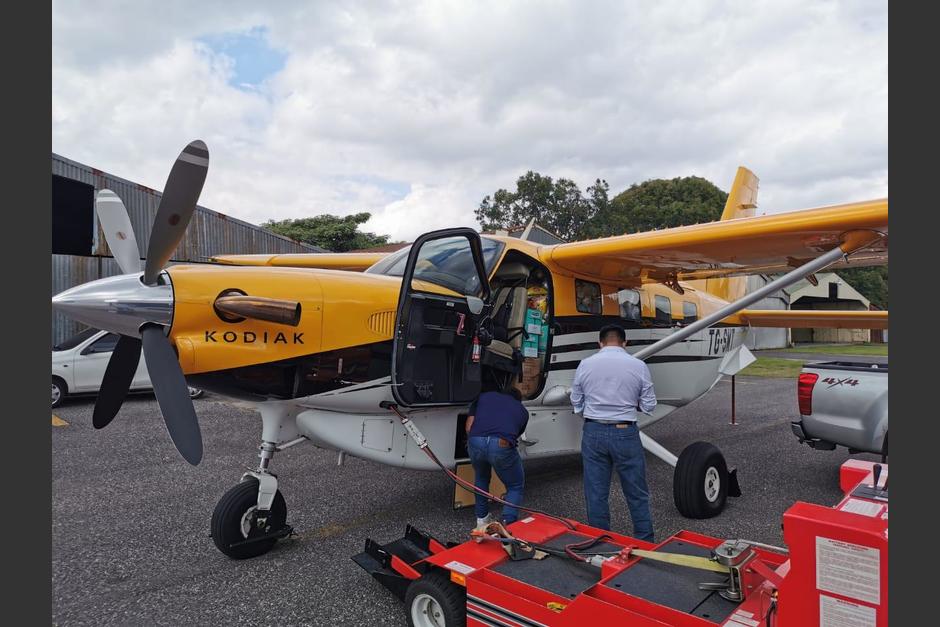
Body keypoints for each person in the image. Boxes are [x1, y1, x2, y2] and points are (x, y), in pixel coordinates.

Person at [570, 324, 656, 541]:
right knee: (636, 492)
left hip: (593, 430)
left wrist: (588, 413)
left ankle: (602, 542)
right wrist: (632, 405)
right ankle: (645, 542)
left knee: (596, 493)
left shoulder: (585, 364)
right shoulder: (638, 365)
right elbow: (649, 405)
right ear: (624, 343)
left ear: (600, 343)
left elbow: (576, 400)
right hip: (625, 431)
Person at [465, 387, 529, 527]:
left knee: (481, 477)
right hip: (501, 444)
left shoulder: (484, 396)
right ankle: (507, 523)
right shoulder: (523, 411)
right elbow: (514, 434)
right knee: (515, 485)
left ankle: (481, 520)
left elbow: (469, 427)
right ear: (518, 400)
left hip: (476, 440)